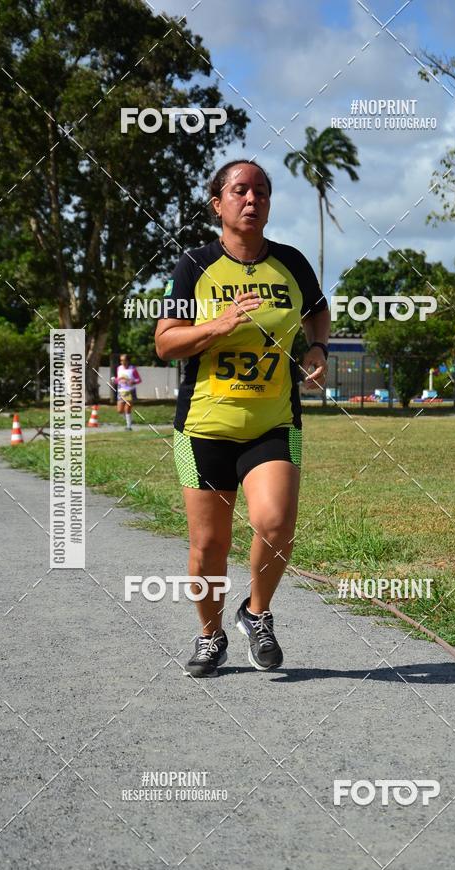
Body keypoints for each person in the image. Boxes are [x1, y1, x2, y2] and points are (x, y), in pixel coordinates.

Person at [155, 159, 330, 677]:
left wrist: (317, 347)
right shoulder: (195, 265)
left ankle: (256, 613)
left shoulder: (291, 263)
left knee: (275, 522)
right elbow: (165, 342)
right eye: (240, 191)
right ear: (218, 204)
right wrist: (220, 324)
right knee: (209, 545)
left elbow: (318, 310)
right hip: (204, 427)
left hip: (273, 422)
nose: (252, 199)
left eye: (261, 191)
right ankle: (210, 635)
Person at [114, 353, 142, 430]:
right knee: (120, 410)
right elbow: (118, 379)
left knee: (127, 409)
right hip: (121, 391)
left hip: (130, 391)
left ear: (128, 361)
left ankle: (129, 426)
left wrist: (133, 382)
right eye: (121, 360)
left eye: (124, 360)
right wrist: (115, 380)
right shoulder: (119, 368)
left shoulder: (132, 369)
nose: (122, 362)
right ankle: (129, 420)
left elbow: (139, 380)